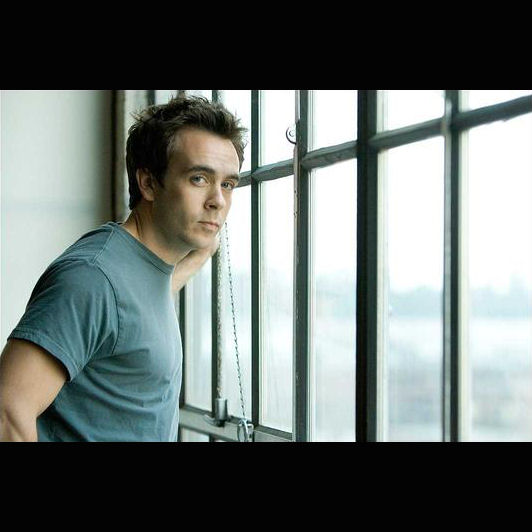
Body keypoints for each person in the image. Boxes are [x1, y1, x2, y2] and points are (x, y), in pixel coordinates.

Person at [0, 93, 247, 442]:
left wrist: (197, 254)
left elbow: (129, 320)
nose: (218, 201)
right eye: (198, 179)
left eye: (227, 184)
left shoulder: (139, 271)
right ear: (148, 183)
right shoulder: (92, 277)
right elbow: (7, 413)